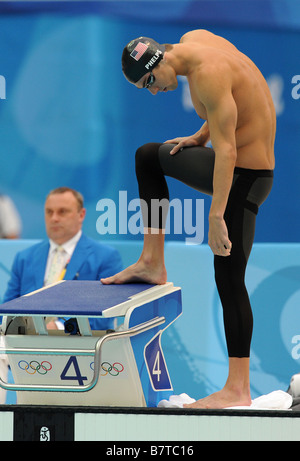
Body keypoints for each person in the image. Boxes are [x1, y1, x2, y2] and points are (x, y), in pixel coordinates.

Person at [101, 30, 276, 409]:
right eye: (142, 87)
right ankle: (152, 261)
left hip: (247, 176)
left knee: (229, 276)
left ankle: (238, 389)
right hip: (235, 162)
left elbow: (228, 151)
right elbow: (233, 104)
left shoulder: (208, 71)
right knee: (148, 156)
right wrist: (200, 134)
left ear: (160, 60)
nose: (152, 90)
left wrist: (216, 216)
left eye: (149, 81)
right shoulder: (194, 41)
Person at [3, 187, 123, 330]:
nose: (54, 218)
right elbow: (6, 311)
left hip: (78, 346)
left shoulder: (105, 258)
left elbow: (105, 317)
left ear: (81, 215)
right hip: (24, 344)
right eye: (49, 212)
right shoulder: (24, 258)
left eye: (62, 211)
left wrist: (59, 327)